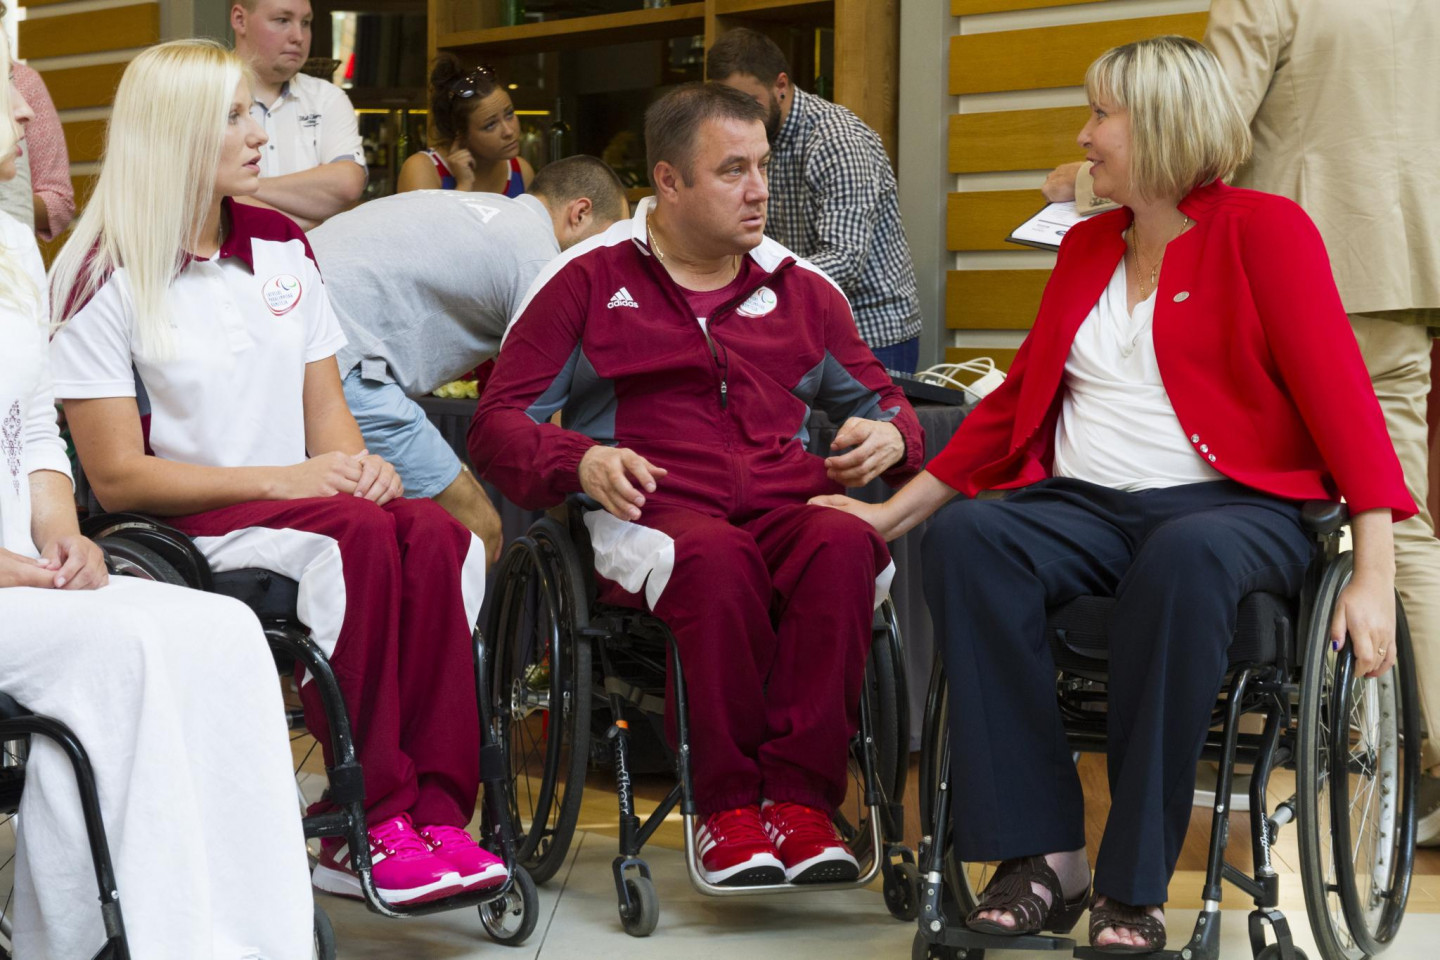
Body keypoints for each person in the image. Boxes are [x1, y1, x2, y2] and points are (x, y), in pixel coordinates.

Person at [813, 37, 1410, 952]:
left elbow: (1343, 403)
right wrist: (893, 514)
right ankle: (1044, 859)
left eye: (1102, 115)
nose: (1084, 136)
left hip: (1233, 510)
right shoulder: (1092, 243)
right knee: (969, 540)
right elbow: (1018, 399)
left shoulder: (1265, 230)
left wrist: (1374, 571)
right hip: (1088, 507)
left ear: (1162, 125)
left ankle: (1132, 889)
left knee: (1184, 556)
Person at [48, 39, 502, 908]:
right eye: (233, 117)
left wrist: (360, 468)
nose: (259, 133)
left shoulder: (284, 245)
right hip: (185, 522)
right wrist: (288, 482)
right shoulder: (102, 271)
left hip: (302, 507)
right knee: (357, 537)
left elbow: (327, 415)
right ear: (176, 133)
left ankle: (439, 814)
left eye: (252, 112)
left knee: (435, 531)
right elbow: (118, 479)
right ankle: (367, 820)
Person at [471, 82, 925, 887]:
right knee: (715, 559)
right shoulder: (583, 281)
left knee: (845, 539)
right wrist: (579, 460)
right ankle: (726, 809)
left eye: (764, 166)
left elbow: (887, 404)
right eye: (733, 170)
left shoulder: (801, 289)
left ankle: (800, 804)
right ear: (669, 181)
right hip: (651, 512)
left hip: (783, 506)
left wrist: (893, 434)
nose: (760, 190)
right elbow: (498, 425)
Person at [0, 31, 311, 959]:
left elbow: (33, 426)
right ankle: (107, 936)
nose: (23, 108)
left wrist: (61, 532)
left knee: (223, 632)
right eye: (4, 93)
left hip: (30, 570)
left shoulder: (13, 246)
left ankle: (249, 934)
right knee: (128, 651)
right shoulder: (77, 262)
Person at [1203, 0, 1440, 846]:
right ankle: (1429, 760)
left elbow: (1204, 129)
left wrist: (1082, 184)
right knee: (1404, 520)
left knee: (1238, 489)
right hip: (1406, 261)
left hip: (1298, 267)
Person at [308, 154, 627, 553]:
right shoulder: (539, 260)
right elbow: (555, 414)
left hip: (291, 336)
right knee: (477, 533)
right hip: (339, 361)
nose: (610, 260)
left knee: (392, 535)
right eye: (606, 241)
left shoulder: (487, 211)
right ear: (579, 213)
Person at [708, 28, 923, 373]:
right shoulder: (755, 140)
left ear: (780, 85)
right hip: (799, 325)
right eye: (729, 106)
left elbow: (843, 260)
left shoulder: (837, 140)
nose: (740, 117)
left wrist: (746, 291)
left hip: (871, 332)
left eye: (749, 102)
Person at [230, 0, 366, 228]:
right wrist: (303, 224)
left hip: (317, 253)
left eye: (305, 23)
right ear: (240, 20)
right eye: (282, 20)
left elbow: (347, 185)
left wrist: (235, 192)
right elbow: (190, 194)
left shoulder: (328, 98)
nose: (299, 37)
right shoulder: (206, 94)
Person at [397, 55, 532, 197]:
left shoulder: (521, 171)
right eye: (490, 125)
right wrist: (463, 185)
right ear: (461, 133)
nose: (509, 131)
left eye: (509, 114)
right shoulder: (422, 169)